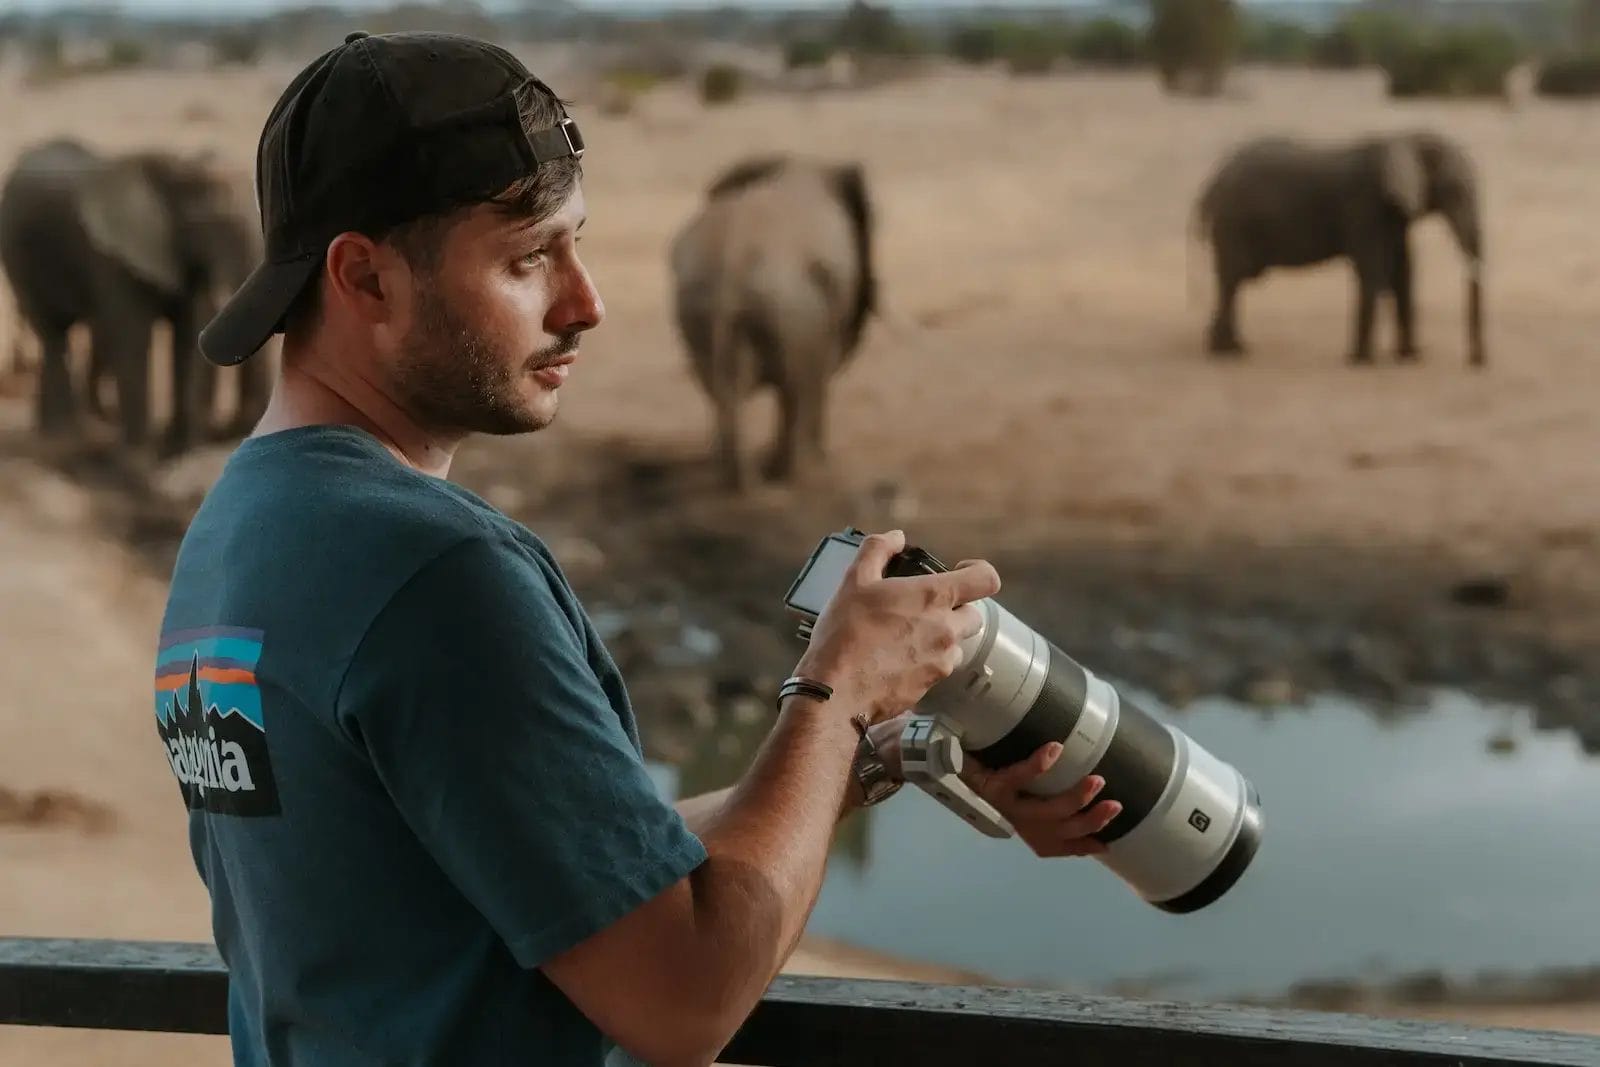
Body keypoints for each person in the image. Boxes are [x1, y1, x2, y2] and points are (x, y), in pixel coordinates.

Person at [151, 29, 1122, 1067]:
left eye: (575, 245)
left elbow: (562, 870)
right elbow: (682, 994)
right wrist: (834, 686)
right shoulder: (438, 574)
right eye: (529, 258)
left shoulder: (238, 529)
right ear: (366, 277)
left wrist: (874, 753)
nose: (586, 303)